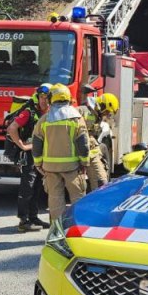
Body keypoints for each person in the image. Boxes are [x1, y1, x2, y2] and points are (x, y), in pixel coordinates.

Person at [33, 84, 90, 223]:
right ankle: (78, 228)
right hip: (72, 167)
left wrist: (38, 163)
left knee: (55, 200)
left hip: (50, 168)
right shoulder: (77, 118)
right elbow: (83, 144)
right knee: (78, 198)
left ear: (51, 99)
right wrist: (84, 163)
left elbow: (36, 144)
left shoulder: (44, 120)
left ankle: (57, 232)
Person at [5, 84, 51, 231]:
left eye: (47, 98)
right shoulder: (28, 112)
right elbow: (12, 128)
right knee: (28, 186)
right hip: (29, 154)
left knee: (37, 186)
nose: (44, 101)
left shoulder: (49, 112)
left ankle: (34, 217)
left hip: (41, 154)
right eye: (42, 98)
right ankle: (23, 221)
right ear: (37, 97)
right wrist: (23, 146)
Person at [78, 84, 109, 193]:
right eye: (107, 113)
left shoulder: (96, 114)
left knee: (101, 181)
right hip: (78, 152)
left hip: (90, 153)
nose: (107, 116)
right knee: (78, 187)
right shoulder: (82, 110)